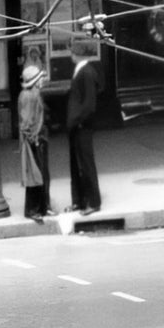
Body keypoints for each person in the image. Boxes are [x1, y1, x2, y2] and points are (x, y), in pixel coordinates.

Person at [64, 19, 105, 214]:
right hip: (76, 126)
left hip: (82, 126)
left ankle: (93, 202)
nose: (70, 53)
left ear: (78, 53)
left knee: (86, 163)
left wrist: (77, 121)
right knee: (76, 164)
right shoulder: (80, 70)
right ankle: (79, 200)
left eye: (72, 50)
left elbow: (89, 104)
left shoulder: (86, 73)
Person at [18, 62, 53, 220]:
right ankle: (33, 210)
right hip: (35, 140)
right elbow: (26, 122)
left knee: (41, 174)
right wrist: (34, 138)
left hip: (39, 138)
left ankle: (42, 207)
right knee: (35, 175)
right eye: (40, 78)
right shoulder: (28, 96)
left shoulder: (33, 94)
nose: (42, 80)